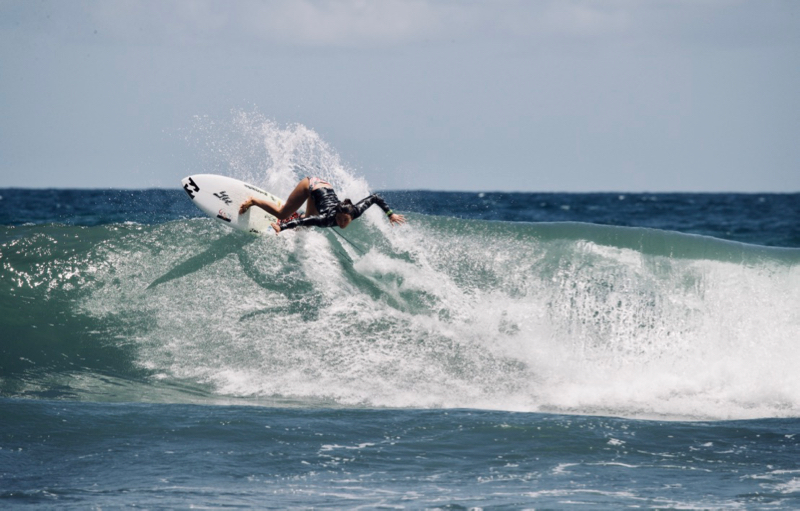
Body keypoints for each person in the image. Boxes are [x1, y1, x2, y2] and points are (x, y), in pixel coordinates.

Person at [238, 176, 406, 234]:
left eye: (344, 220)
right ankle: (253, 201)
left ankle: (294, 215)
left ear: (351, 215)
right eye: (339, 219)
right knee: (282, 214)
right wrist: (281, 227)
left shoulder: (355, 211)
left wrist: (390, 214)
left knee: (307, 224)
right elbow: (304, 221)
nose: (341, 223)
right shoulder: (326, 219)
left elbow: (375, 198)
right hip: (310, 185)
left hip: (323, 189)